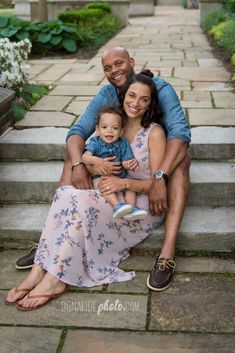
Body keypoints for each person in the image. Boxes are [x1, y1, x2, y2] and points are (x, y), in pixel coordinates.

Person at [15, 47, 191, 292]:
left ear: (132, 62)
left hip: (154, 163)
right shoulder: (109, 96)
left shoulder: (160, 90)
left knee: (180, 163)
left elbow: (180, 135)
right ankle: (52, 239)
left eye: (119, 64)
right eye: (108, 68)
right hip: (119, 174)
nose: (114, 71)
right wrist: (82, 163)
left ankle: (166, 254)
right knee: (73, 159)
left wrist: (160, 178)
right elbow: (78, 132)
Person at [5, 71, 166, 310]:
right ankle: (40, 270)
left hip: (137, 205)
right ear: (123, 95)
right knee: (66, 194)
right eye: (132, 95)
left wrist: (124, 183)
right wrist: (92, 163)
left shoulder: (154, 133)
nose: (136, 103)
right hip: (109, 191)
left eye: (144, 99)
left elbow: (157, 184)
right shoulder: (110, 124)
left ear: (151, 102)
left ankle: (54, 279)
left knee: (80, 207)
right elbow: (88, 156)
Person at [82, 105, 148, 220]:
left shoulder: (123, 143)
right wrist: (97, 161)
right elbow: (85, 157)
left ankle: (131, 209)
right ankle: (117, 206)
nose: (109, 131)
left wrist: (128, 163)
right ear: (97, 129)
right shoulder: (95, 142)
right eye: (104, 127)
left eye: (115, 128)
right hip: (102, 177)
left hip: (120, 178)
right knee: (105, 185)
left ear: (121, 131)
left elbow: (125, 161)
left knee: (131, 187)